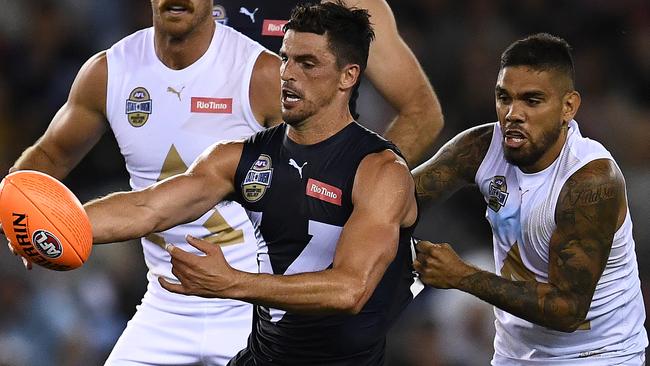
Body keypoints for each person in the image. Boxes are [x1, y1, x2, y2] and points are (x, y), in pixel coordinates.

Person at [83, 3, 419, 364]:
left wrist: (232, 283)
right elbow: (146, 208)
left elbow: (350, 289)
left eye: (307, 64)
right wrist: (56, 222)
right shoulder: (240, 157)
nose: (288, 74)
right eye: (285, 58)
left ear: (348, 76)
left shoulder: (380, 171)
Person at [5, 0, 282, 364]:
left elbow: (317, 174)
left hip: (250, 306)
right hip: (163, 307)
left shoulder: (260, 75)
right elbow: (51, 155)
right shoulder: (111, 71)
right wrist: (17, 215)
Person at [412, 33, 648, 365]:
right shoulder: (480, 147)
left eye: (532, 100)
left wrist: (462, 276)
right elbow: (401, 198)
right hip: (514, 354)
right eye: (504, 98)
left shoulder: (591, 181)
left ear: (568, 107)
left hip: (599, 355)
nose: (512, 113)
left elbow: (567, 311)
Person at [212, 0, 444, 166]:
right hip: (203, 182)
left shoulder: (350, 3)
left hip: (306, 197)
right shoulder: (193, 8)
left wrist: (372, 180)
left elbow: (422, 110)